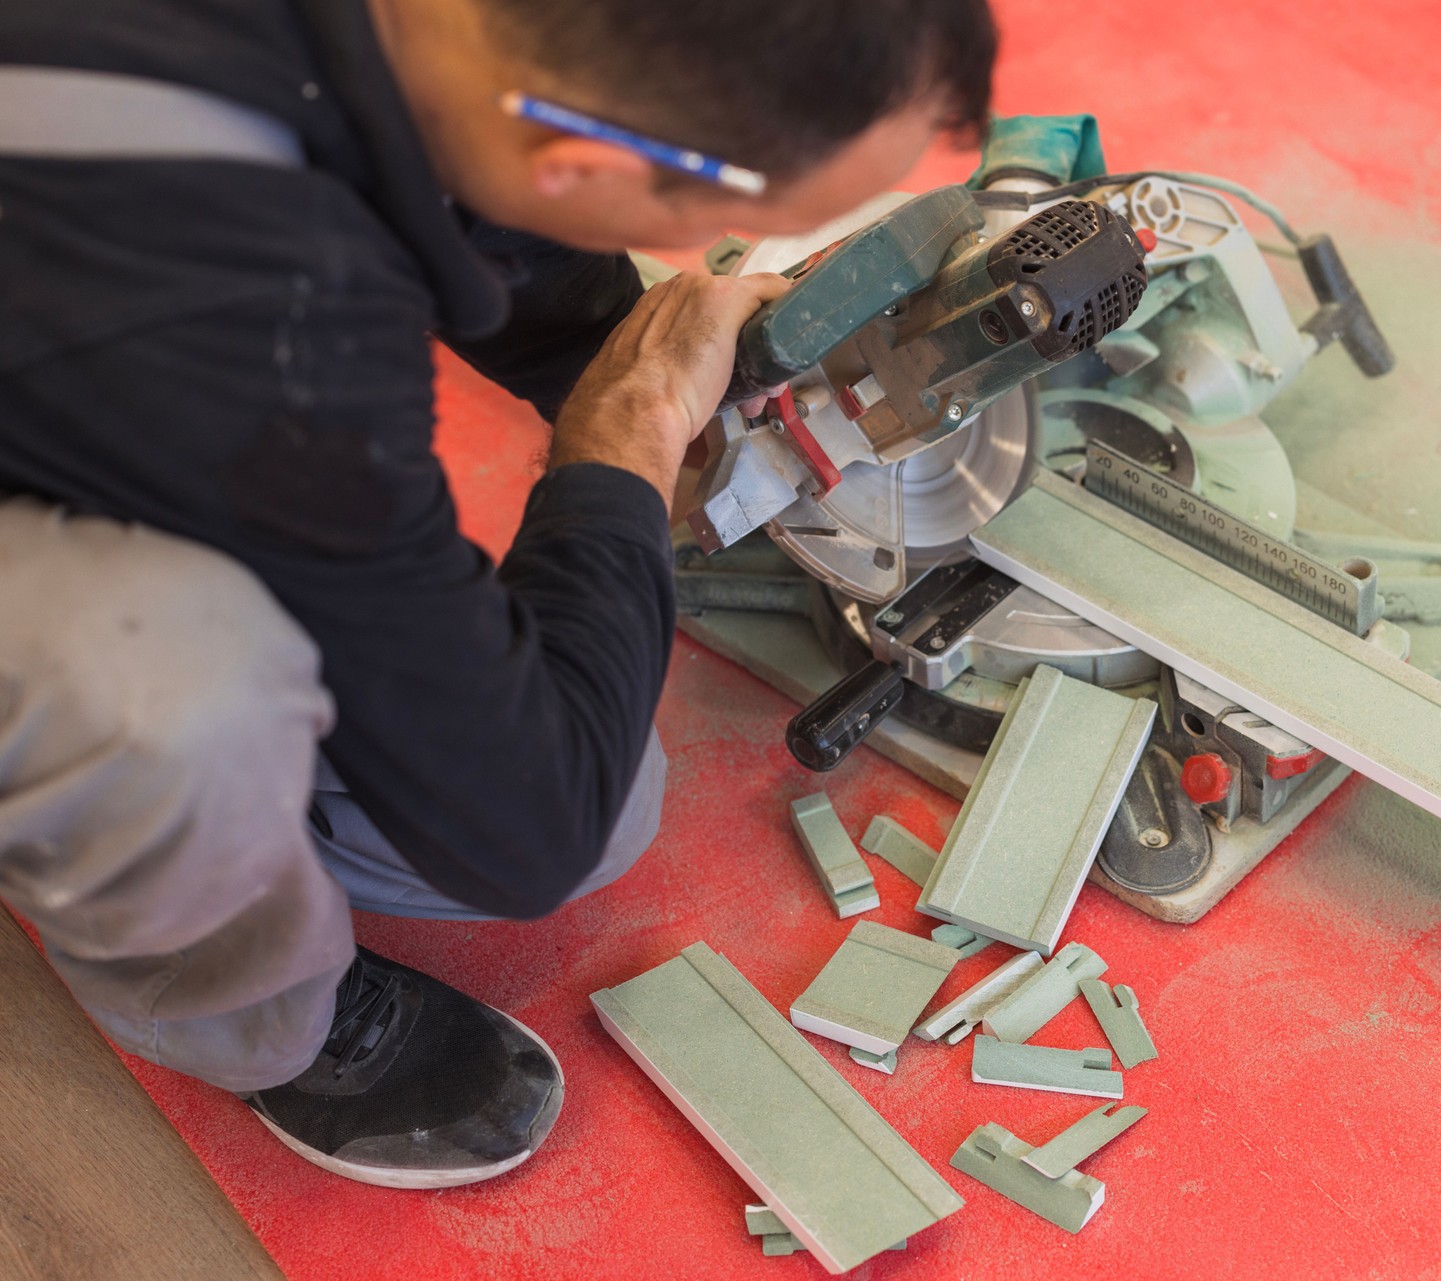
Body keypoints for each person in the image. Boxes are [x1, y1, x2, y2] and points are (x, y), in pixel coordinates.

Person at [0, 0, 995, 1188]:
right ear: (575, 164)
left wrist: (621, 356)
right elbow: (529, 826)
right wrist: (628, 427)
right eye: (736, 219)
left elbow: (472, 183)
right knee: (169, 692)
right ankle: (244, 1017)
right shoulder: (267, 334)